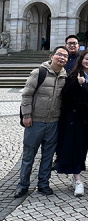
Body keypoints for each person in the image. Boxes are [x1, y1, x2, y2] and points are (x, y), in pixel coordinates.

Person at [15, 46, 68, 198]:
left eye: (65, 56)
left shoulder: (66, 76)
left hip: (53, 122)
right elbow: (26, 95)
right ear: (52, 56)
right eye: (59, 54)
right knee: (29, 155)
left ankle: (43, 184)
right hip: (35, 121)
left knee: (48, 155)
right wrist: (26, 115)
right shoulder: (39, 72)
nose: (62, 58)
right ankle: (23, 185)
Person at [56, 49, 88, 196]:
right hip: (72, 119)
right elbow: (65, 94)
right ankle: (78, 179)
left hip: (85, 119)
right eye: (86, 59)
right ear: (81, 60)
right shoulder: (74, 74)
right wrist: (78, 84)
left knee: (81, 148)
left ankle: (75, 176)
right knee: (73, 148)